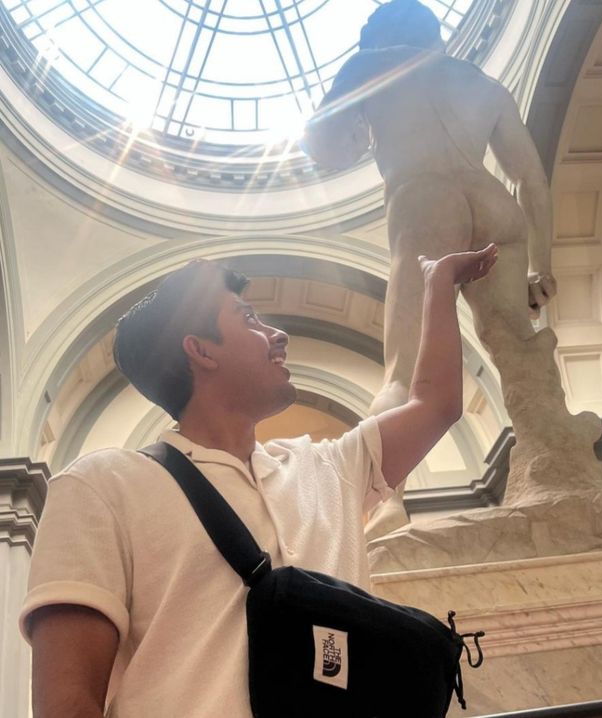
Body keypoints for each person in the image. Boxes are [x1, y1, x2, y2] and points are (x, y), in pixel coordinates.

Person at [20, 243, 498, 717]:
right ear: (200, 350)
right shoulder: (102, 486)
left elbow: (436, 405)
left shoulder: (327, 467)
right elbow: (67, 703)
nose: (278, 334)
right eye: (249, 319)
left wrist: (439, 284)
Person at [302, 0, 557, 538]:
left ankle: (384, 502)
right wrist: (543, 265)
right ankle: (559, 472)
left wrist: (355, 113)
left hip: (425, 202)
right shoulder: (481, 83)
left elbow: (323, 147)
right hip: (495, 208)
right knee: (519, 355)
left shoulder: (371, 67)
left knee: (402, 370)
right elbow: (531, 180)